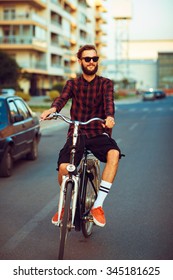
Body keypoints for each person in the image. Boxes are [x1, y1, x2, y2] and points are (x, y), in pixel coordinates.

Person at [41, 44, 121, 227]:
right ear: (80, 61)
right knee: (63, 167)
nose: (91, 62)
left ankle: (98, 206)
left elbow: (109, 102)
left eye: (95, 59)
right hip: (77, 132)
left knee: (114, 154)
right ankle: (64, 205)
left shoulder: (105, 83)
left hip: (99, 132)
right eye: (87, 59)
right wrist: (52, 109)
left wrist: (109, 117)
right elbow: (62, 98)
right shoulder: (72, 84)